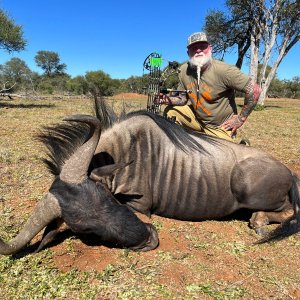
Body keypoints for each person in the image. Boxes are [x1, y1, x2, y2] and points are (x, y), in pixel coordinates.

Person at [157, 32, 262, 142]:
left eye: (202, 46)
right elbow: (182, 98)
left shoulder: (224, 70)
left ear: (210, 48)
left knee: (223, 156)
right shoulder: (183, 70)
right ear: (188, 52)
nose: (198, 50)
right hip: (197, 119)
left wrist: (240, 119)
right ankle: (179, 144)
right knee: (171, 112)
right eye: (194, 48)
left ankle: (241, 145)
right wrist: (166, 99)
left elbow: (255, 90)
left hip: (221, 126)